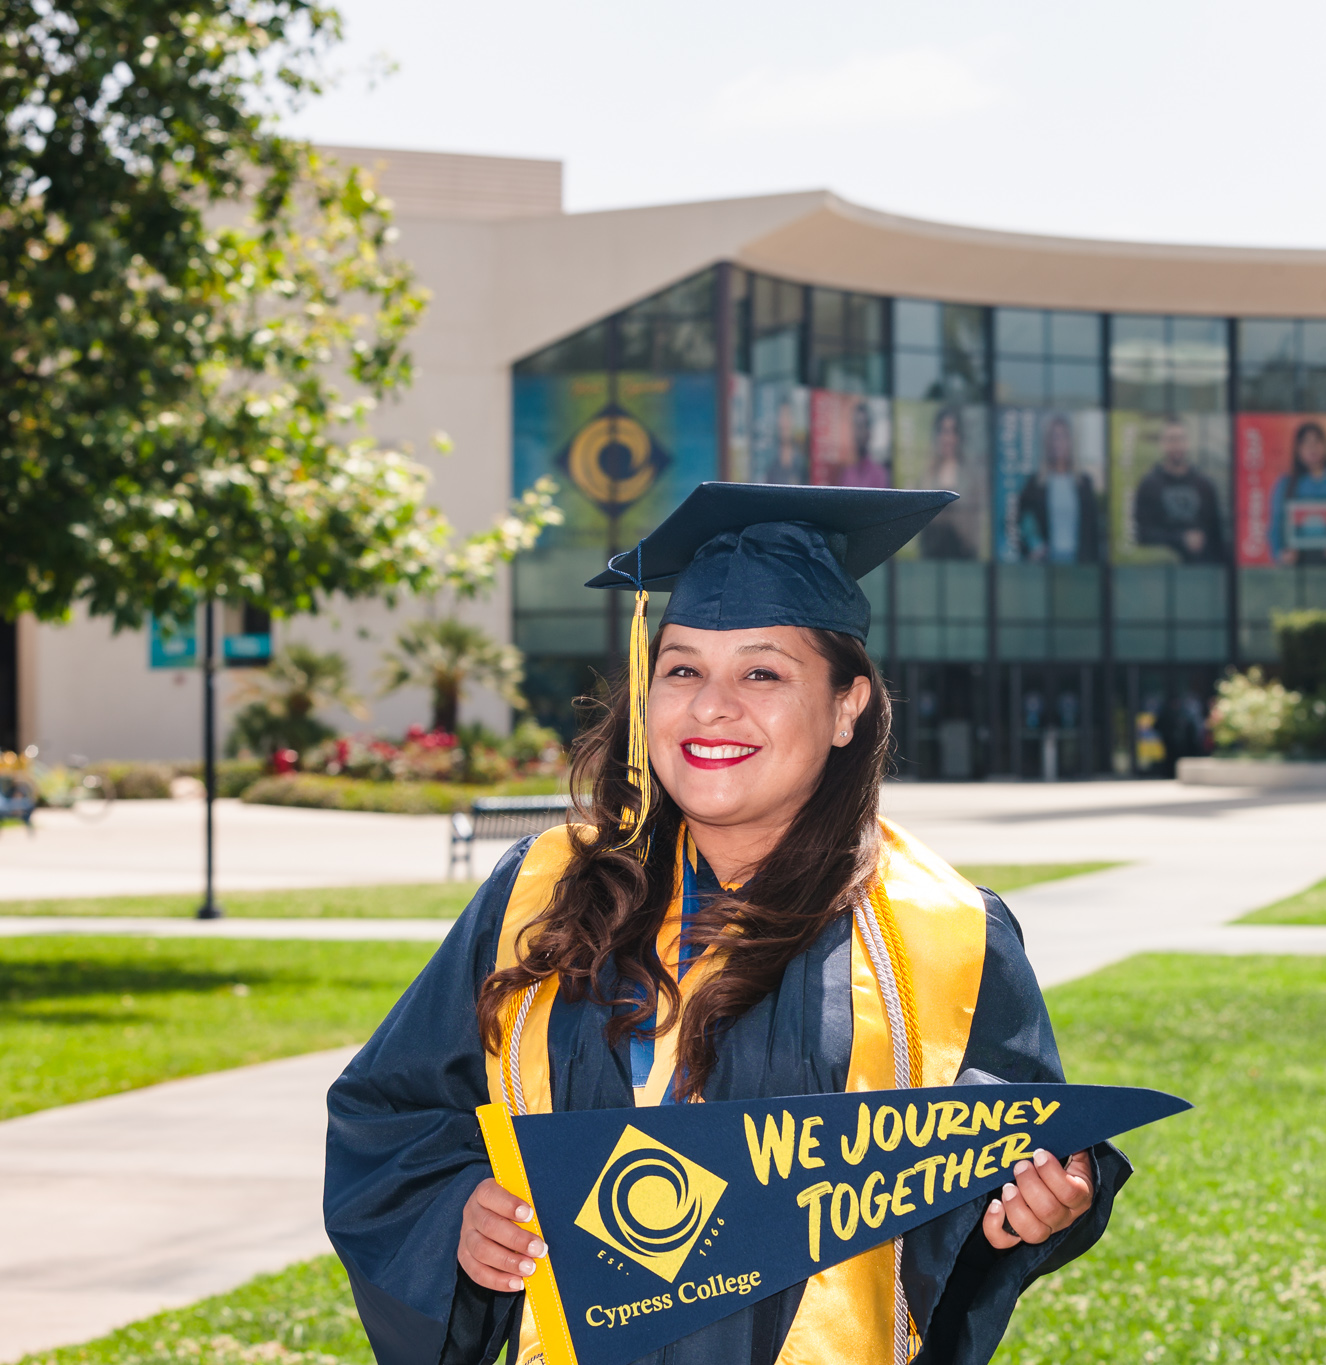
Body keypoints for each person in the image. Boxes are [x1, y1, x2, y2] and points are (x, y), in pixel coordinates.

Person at [325, 483, 1124, 1365]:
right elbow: (390, 1114)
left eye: (762, 671)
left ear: (848, 705)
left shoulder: (944, 932)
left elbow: (1001, 1159)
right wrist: (460, 1210)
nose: (711, 706)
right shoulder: (543, 890)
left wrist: (1042, 1200)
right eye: (682, 668)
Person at [1131, 416, 1225, 564]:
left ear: (1188, 443)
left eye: (1181, 439)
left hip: (1202, 574)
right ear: (1162, 444)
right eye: (1171, 439)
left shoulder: (1204, 485)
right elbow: (1141, 535)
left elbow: (1217, 536)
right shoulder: (1148, 485)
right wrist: (1180, 538)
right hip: (1162, 571)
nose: (1177, 445)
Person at [1266, 421, 1326, 566]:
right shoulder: (1285, 484)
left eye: (1317, 442)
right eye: (1305, 443)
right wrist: (1281, 555)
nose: (1312, 448)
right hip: (1296, 568)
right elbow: (1275, 525)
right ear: (1297, 449)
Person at [1017, 413, 1101, 565]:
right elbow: (1016, 520)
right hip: (1046, 566)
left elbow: (1093, 531)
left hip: (1080, 564)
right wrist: (1033, 546)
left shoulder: (1083, 483)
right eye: (1054, 437)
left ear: (1070, 441)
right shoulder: (1035, 484)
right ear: (1047, 442)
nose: (1058, 443)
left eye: (1063, 437)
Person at [917, 407, 978, 561]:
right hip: (931, 558)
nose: (948, 438)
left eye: (953, 431)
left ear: (959, 436)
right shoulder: (927, 475)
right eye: (943, 431)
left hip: (964, 558)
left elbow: (972, 527)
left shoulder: (970, 476)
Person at [839, 400, 891, 489]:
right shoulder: (846, 473)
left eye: (860, 427)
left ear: (868, 432)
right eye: (855, 426)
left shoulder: (879, 474)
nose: (857, 433)